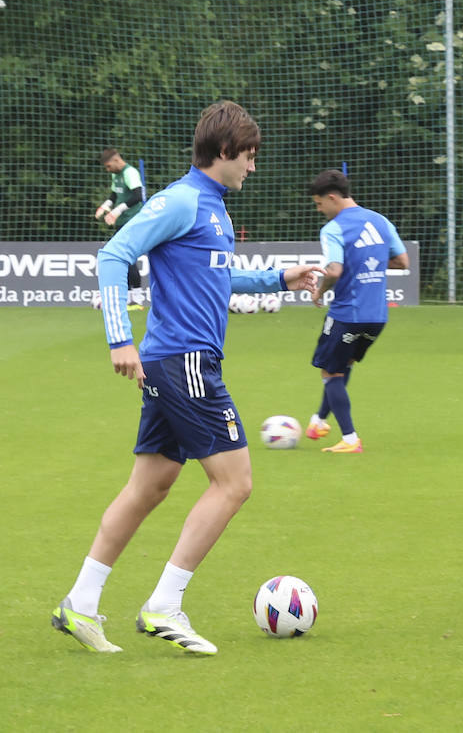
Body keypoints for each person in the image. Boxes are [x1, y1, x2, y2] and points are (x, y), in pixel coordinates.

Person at [52, 101, 320, 656]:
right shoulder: (180, 200)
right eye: (248, 157)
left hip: (175, 364)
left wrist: (279, 277)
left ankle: (80, 602)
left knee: (148, 486)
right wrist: (117, 337)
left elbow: (218, 280)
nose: (252, 167)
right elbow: (112, 254)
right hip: (185, 364)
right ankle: (163, 606)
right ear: (224, 152)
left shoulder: (214, 208)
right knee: (235, 483)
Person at [302, 170, 409, 454]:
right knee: (342, 365)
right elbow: (402, 261)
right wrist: (369, 268)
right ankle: (319, 421)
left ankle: (350, 439)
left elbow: (334, 270)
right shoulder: (381, 220)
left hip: (347, 313)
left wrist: (319, 291)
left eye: (319, 203)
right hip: (377, 317)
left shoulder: (334, 228)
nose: (319, 209)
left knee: (329, 372)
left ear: (332, 197)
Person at [95, 148, 147, 309]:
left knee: (126, 257)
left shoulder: (130, 172)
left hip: (132, 221)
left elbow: (138, 196)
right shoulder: (115, 174)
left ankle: (137, 298)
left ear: (117, 160)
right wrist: (105, 206)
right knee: (123, 257)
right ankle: (130, 297)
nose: (108, 169)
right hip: (121, 222)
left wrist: (117, 211)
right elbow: (114, 195)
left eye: (109, 166)